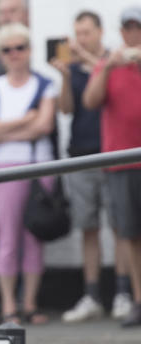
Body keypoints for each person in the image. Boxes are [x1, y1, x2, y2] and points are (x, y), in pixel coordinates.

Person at [53, 11, 132, 323]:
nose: (80, 39)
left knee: (122, 227)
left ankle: (124, 292)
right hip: (82, 153)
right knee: (88, 228)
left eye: (86, 32)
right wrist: (64, 77)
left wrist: (88, 58)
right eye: (77, 33)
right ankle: (92, 295)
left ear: (100, 32)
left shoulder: (115, 60)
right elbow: (67, 109)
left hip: (113, 153)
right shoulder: (74, 67)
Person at [0, 22, 57, 324]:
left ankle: (30, 303)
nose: (14, 54)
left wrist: (4, 128)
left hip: (39, 167)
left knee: (34, 236)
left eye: (20, 47)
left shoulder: (43, 83)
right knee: (8, 237)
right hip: (4, 169)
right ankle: (10, 305)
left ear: (29, 50)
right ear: (1, 54)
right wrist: (25, 121)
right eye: (7, 49)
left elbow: (45, 125)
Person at [83, 6, 141, 327]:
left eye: (137, 28)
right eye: (128, 28)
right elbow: (91, 101)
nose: (133, 33)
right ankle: (138, 298)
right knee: (130, 233)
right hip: (121, 162)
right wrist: (107, 68)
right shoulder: (109, 63)